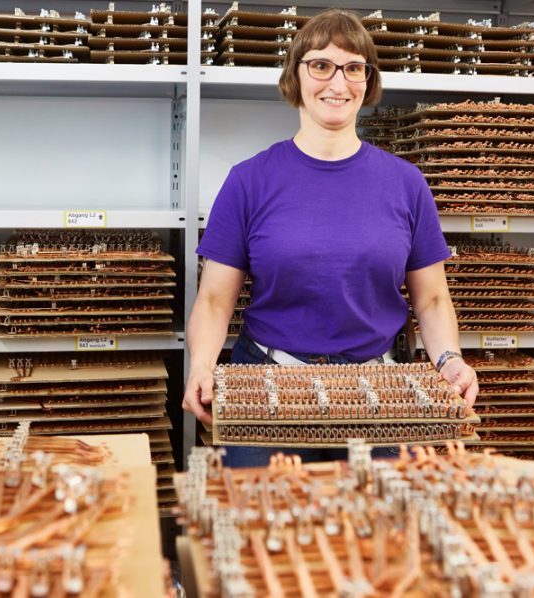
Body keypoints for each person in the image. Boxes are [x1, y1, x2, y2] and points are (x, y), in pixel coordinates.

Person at [183, 9, 478, 467]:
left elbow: (433, 300)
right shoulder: (249, 181)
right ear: (295, 76)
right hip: (269, 390)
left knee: (373, 530)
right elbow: (216, 300)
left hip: (377, 396)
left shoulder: (406, 183)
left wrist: (449, 360)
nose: (338, 83)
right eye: (321, 65)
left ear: (368, 80)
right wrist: (201, 366)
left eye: (354, 68)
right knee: (262, 523)